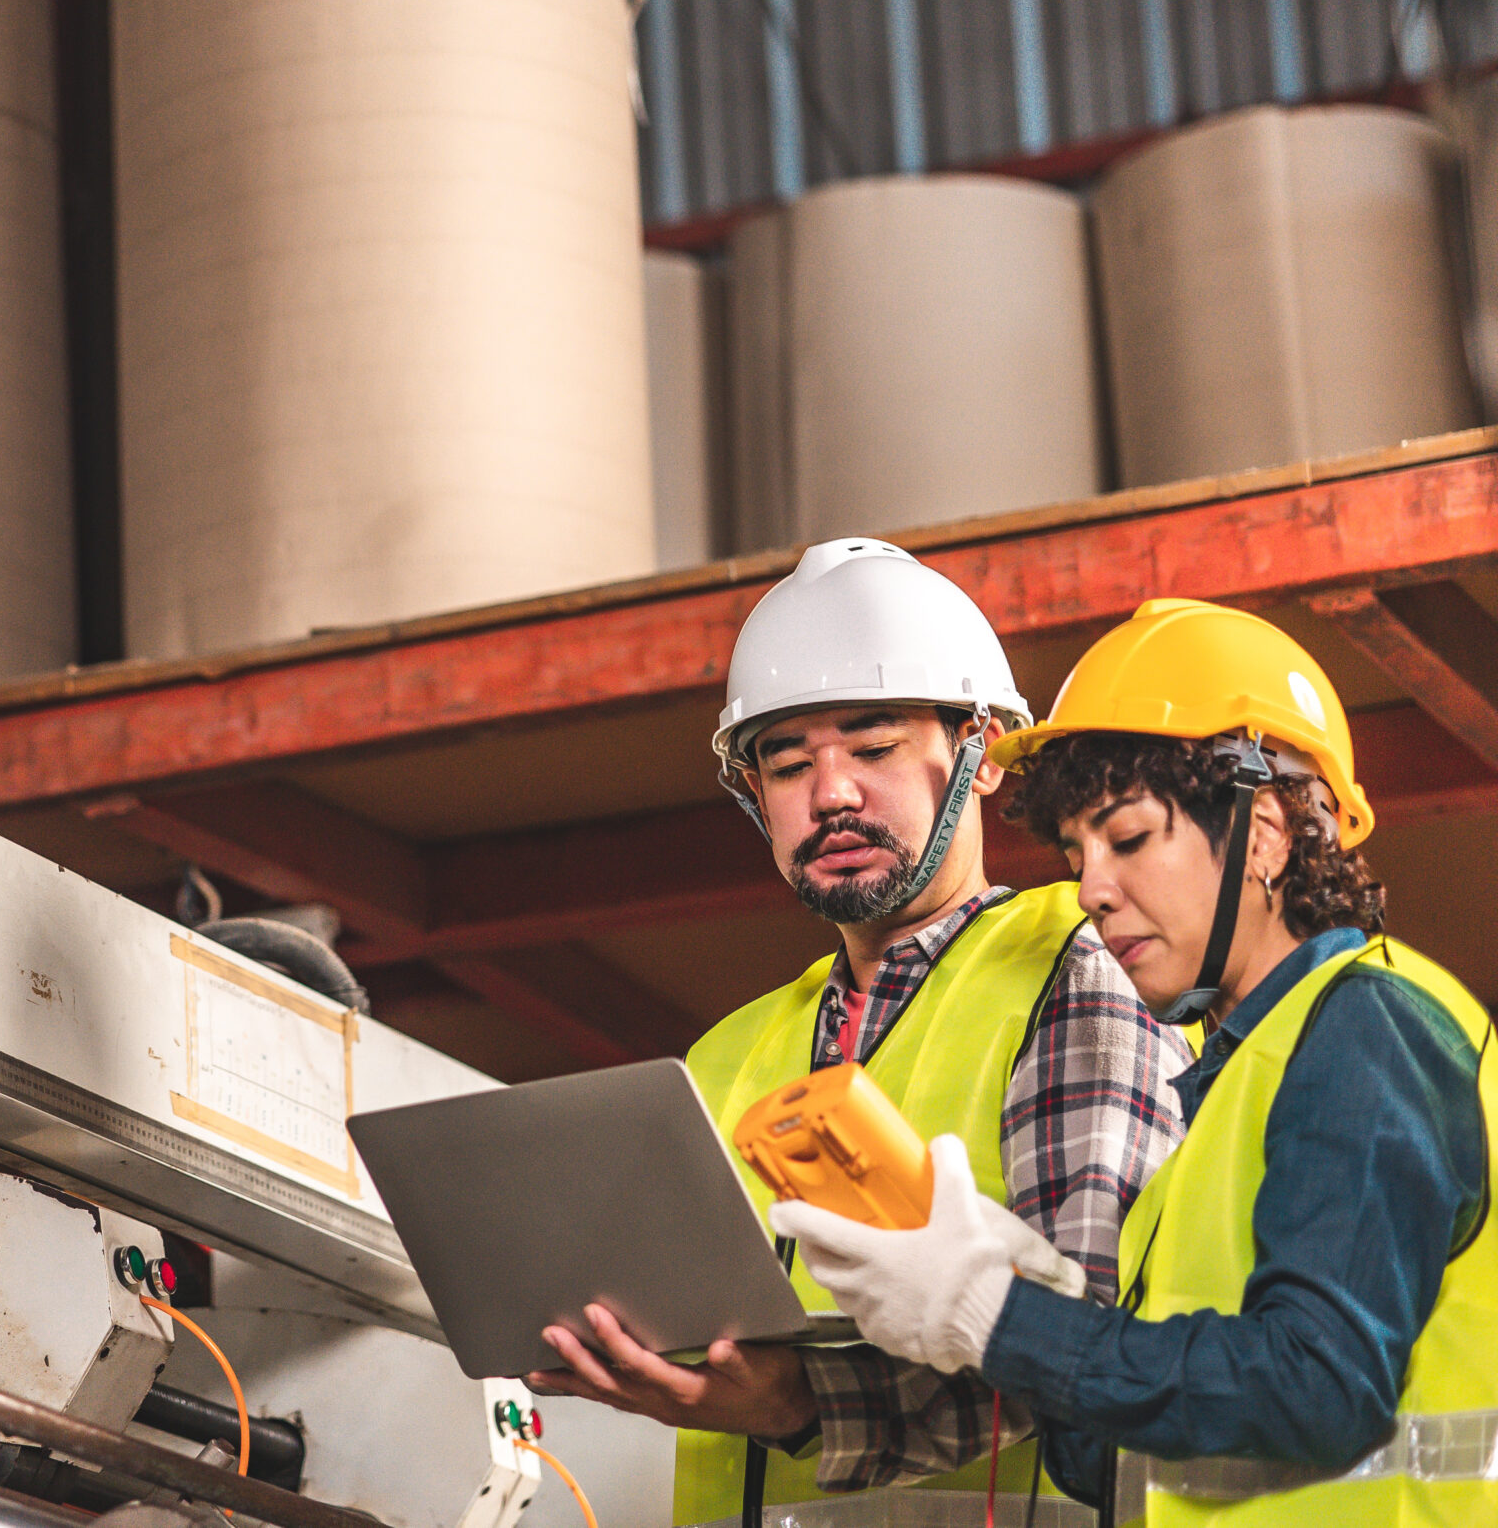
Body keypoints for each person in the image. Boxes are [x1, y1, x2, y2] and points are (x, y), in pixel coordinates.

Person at [777, 599, 1496, 1524]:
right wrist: (1034, 1313)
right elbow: (1126, 1462)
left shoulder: (1368, 1027)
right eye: (1077, 850)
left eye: (1127, 838)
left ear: (1266, 829)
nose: (1091, 889)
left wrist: (997, 1312)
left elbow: (1317, 1388)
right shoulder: (1229, 1088)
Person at [531, 539, 1193, 1526]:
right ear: (751, 794)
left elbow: (1079, 1351)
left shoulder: (1077, 965)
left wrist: (802, 1405)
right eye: (787, 762)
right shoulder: (722, 1058)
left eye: (873, 748)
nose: (829, 791)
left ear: (978, 756)